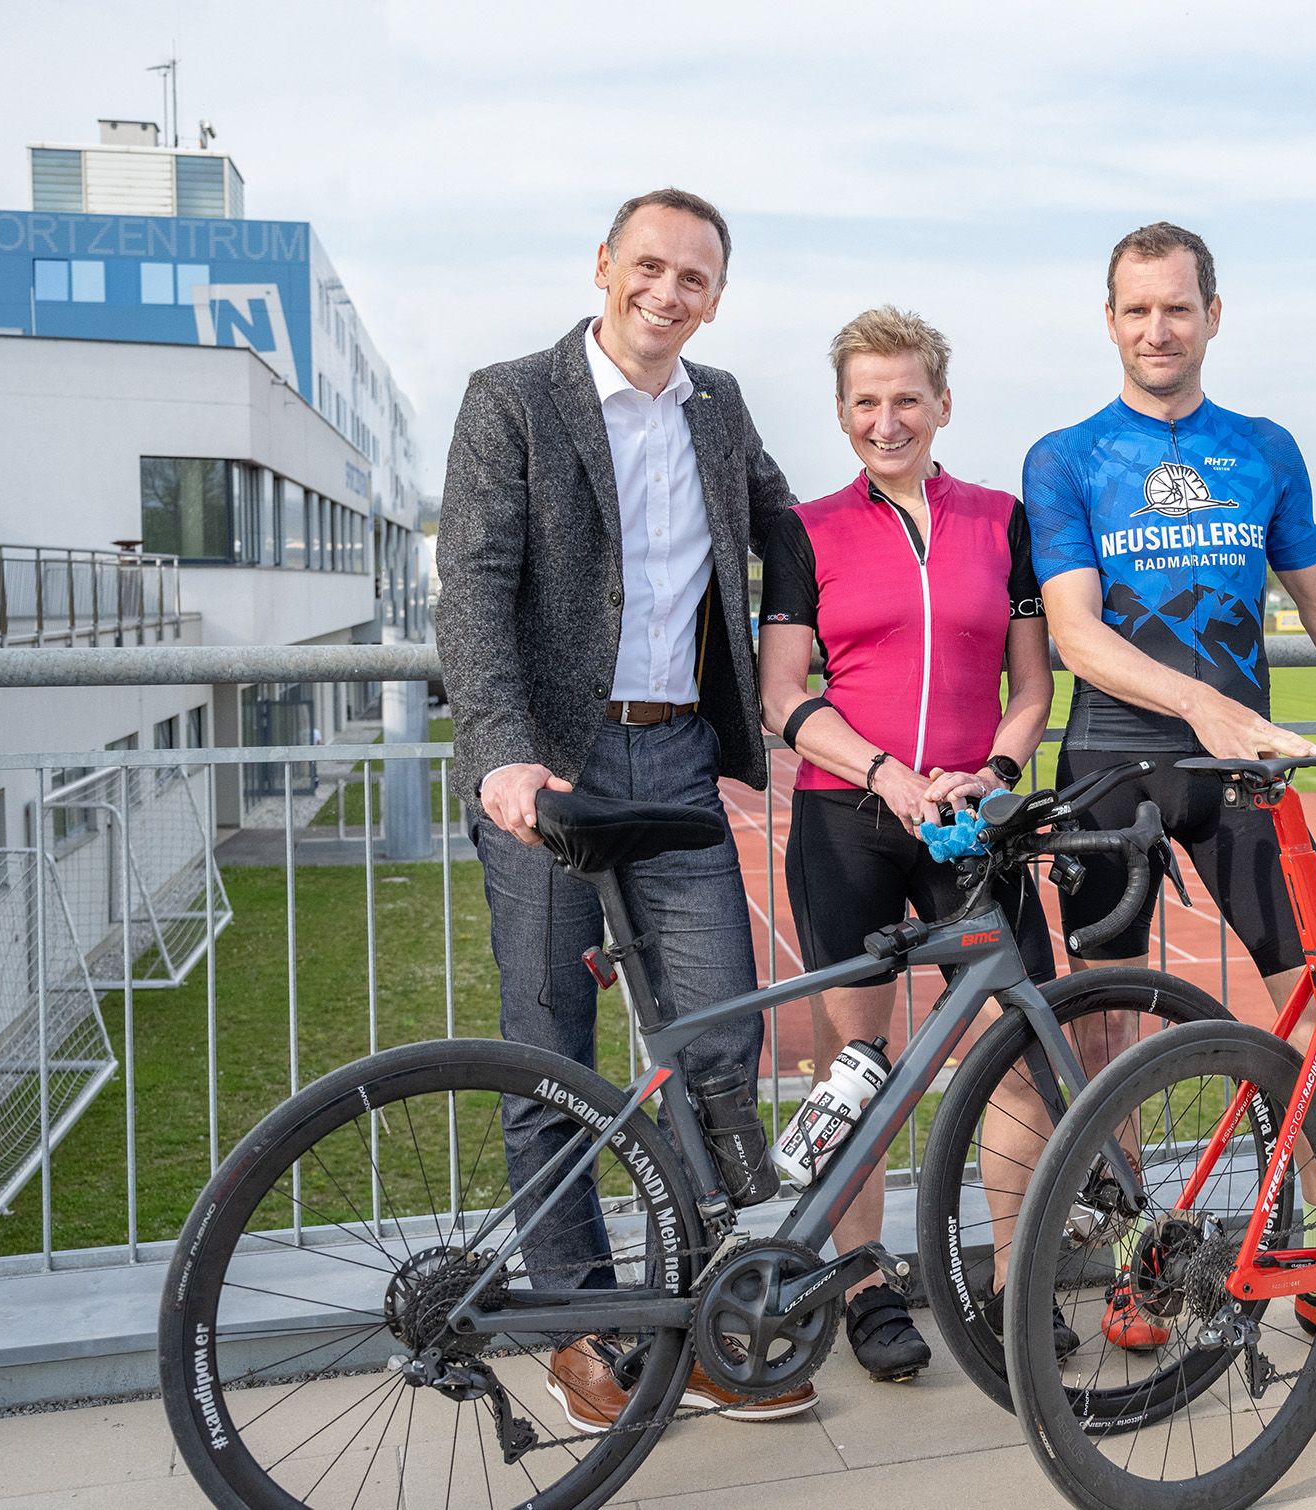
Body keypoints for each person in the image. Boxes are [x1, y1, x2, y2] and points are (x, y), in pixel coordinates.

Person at [1023, 221, 1316, 1361]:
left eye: (1176, 307)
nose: (1156, 328)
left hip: (1242, 773)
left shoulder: (1263, 447)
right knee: (1109, 1038)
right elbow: (1078, 638)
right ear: (1108, 320)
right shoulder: (1065, 456)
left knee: (1315, 1002)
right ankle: (1140, 1270)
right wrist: (1198, 706)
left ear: (1211, 315)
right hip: (1112, 766)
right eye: (1135, 309)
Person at [435, 188, 815, 1429]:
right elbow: (475, 587)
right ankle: (578, 1328)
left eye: (694, 278)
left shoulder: (719, 407)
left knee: (716, 1039)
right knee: (551, 1059)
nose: (667, 293)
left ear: (715, 295)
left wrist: (778, 658)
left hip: (680, 762)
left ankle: (692, 1315)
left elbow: (786, 532)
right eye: (647, 266)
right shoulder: (512, 397)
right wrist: (498, 753)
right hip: (555, 764)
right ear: (603, 265)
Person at [757, 306, 1057, 1382]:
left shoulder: (1001, 518)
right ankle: (865, 1285)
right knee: (860, 1068)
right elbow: (782, 694)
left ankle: (1012, 1281)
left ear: (940, 404)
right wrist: (885, 773)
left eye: (905, 399)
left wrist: (996, 773)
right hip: (851, 822)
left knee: (1020, 1057)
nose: (886, 420)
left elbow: (1031, 685)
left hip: (973, 825)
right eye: (864, 402)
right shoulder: (803, 527)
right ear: (841, 413)